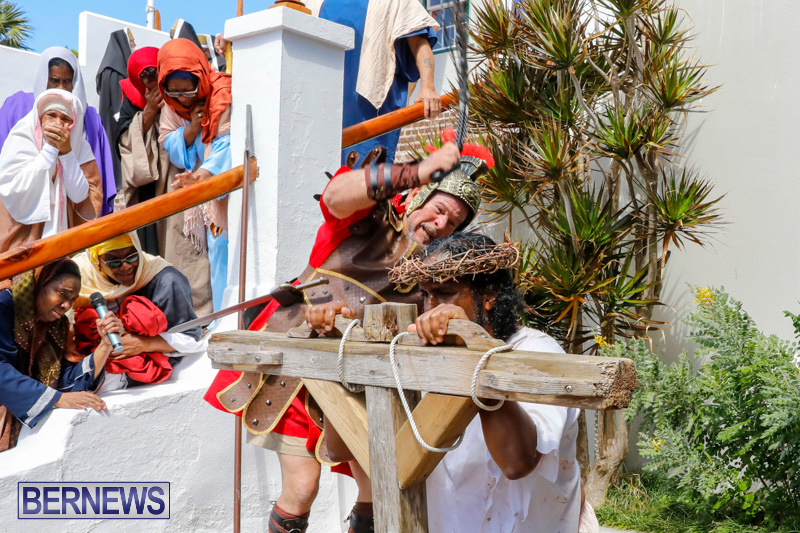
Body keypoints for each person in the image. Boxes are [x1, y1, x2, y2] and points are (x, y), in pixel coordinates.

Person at [204, 140, 492, 533]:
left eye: (453, 223)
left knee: (379, 490)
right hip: (298, 360)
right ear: (420, 195)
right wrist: (417, 171)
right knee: (302, 488)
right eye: (439, 210)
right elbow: (335, 196)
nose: (441, 225)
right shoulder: (369, 214)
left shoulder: (433, 269)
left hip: (360, 379)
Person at [324, 232, 600, 532]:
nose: (431, 308)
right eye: (425, 295)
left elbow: (517, 463)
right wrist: (337, 344)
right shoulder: (415, 357)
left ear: (489, 297)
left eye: (444, 294)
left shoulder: (536, 351)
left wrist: (471, 345)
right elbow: (341, 450)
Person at [0, 258, 123, 452]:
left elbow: (63, 381)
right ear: (39, 283)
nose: (67, 306)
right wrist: (56, 399)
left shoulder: (56, 326)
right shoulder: (4, 303)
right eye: (62, 294)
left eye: (72, 300)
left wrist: (105, 345)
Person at [71, 233, 206, 391]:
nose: (126, 266)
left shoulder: (166, 280)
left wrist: (142, 344)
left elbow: (191, 338)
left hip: (149, 364)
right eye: (114, 262)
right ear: (98, 262)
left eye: (132, 257)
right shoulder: (83, 277)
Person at [158, 38, 232, 313]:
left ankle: (226, 314)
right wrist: (191, 127)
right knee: (210, 253)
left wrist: (202, 175)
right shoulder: (170, 108)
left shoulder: (221, 92)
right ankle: (216, 315)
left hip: (221, 186)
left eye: (188, 89)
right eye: (174, 91)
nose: (182, 98)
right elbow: (170, 146)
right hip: (198, 193)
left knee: (224, 249)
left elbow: (228, 144)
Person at [0, 47, 117, 216]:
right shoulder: (17, 108)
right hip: (26, 211)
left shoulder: (90, 119)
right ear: (44, 78)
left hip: (72, 215)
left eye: (67, 81)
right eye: (54, 80)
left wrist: (66, 152)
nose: (61, 87)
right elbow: (10, 176)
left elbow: (87, 187)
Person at [0, 89, 101, 253]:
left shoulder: (80, 146)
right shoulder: (21, 138)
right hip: (23, 238)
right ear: (40, 117)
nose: (57, 123)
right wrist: (51, 149)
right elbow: (17, 190)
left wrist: (67, 153)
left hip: (62, 238)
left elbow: (79, 195)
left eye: (65, 119)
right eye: (51, 116)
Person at [115, 46, 169, 256]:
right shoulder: (131, 97)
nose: (150, 79)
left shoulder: (177, 87)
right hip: (146, 185)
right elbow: (124, 140)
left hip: (172, 173)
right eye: (144, 75)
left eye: (153, 71)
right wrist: (149, 112)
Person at [96, 29, 133, 192]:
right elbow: (119, 105)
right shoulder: (115, 70)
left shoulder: (110, 66)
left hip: (111, 122)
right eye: (131, 43)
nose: (133, 46)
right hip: (118, 124)